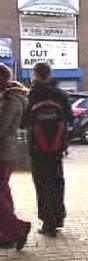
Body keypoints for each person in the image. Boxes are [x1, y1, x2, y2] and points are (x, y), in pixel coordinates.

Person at [22, 62, 72, 237]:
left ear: (35, 74)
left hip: (37, 147)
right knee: (57, 181)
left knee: (42, 184)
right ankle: (58, 217)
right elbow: (69, 118)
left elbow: (24, 121)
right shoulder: (60, 94)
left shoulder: (32, 94)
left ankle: (47, 223)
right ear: (50, 74)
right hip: (57, 146)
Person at [0, 64, 31, 250]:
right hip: (5, 151)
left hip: (3, 152)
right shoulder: (8, 96)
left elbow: (3, 126)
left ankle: (18, 229)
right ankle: (6, 234)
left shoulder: (11, 98)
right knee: (3, 193)